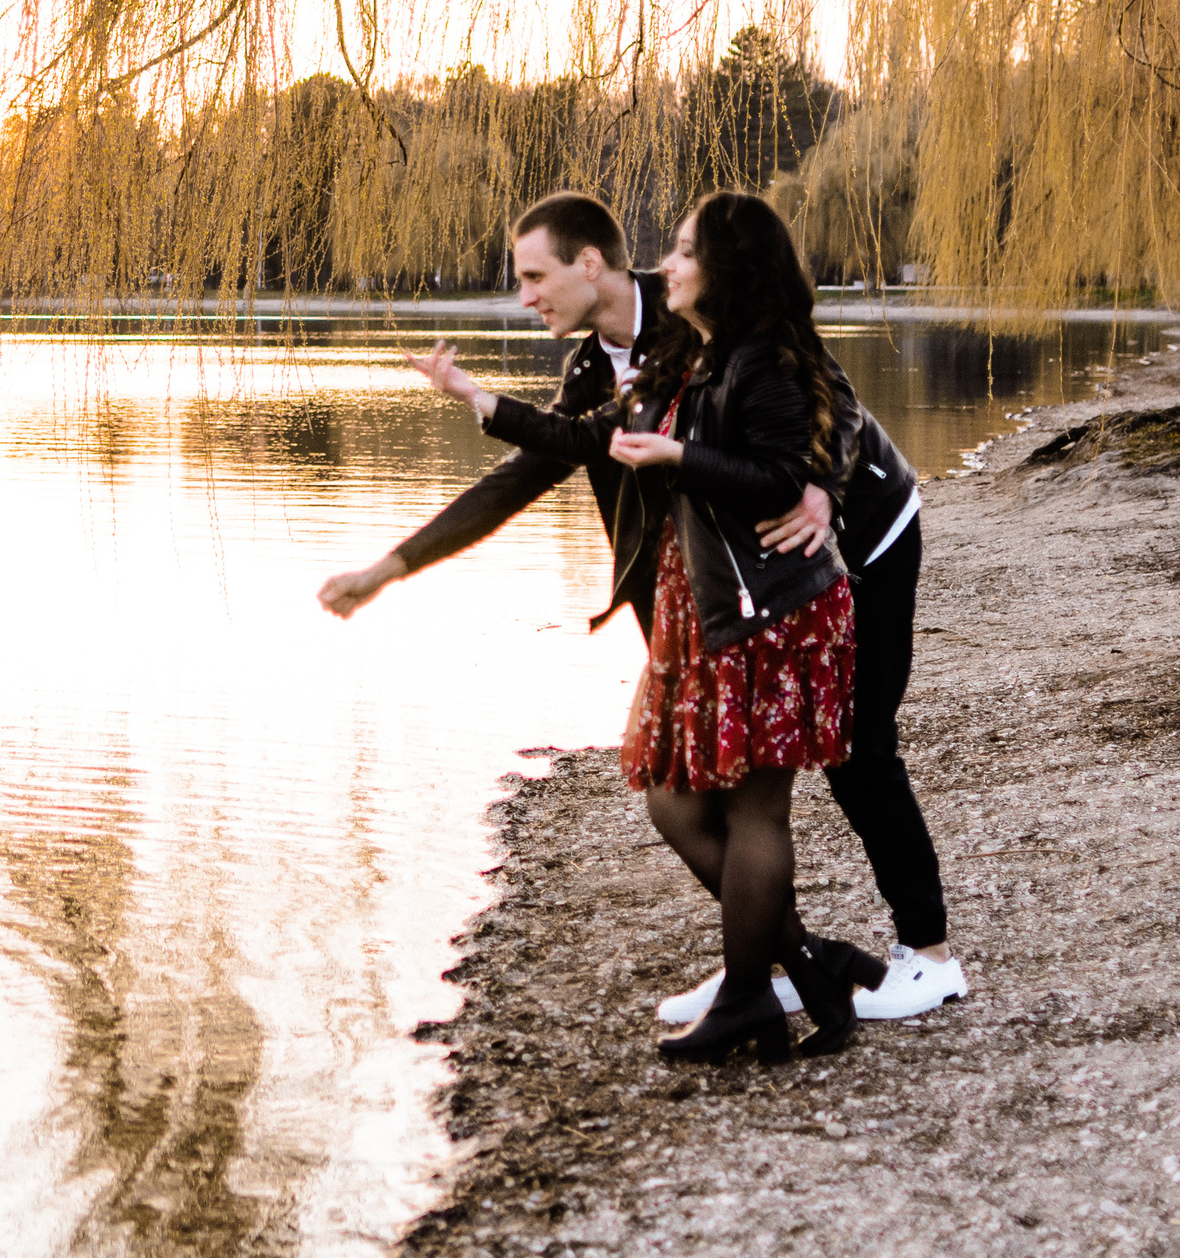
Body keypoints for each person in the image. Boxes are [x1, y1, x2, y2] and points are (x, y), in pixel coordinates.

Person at [317, 191, 965, 1021]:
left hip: (855, 534)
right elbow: (530, 470)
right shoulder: (594, 368)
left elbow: (825, 387)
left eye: (534, 275)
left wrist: (821, 490)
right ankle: (769, 958)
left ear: (590, 264)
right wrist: (390, 566)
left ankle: (929, 953)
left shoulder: (701, 304)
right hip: (725, 572)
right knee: (704, 777)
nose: (525, 296)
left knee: (858, 750)